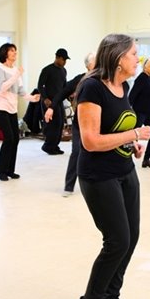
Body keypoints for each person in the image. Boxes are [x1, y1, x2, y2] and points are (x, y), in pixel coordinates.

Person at [75, 33, 150, 299]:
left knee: (131, 238)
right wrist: (134, 135)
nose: (138, 59)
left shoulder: (124, 87)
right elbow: (91, 141)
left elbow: (117, 128)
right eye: (134, 54)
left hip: (125, 171)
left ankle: (111, 296)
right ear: (118, 58)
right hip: (98, 176)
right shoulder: (92, 88)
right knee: (117, 241)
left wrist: (131, 145)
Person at [44, 52, 96, 197]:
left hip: (98, 123)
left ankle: (98, 183)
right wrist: (51, 108)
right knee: (77, 152)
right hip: (80, 122)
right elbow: (62, 92)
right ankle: (69, 186)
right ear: (88, 65)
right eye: (96, 62)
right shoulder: (81, 79)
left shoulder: (104, 79)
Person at [0, 43, 40, 181]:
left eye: (15, 50)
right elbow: (2, 87)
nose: (15, 53)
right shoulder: (0, 69)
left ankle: (9, 170)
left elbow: (20, 91)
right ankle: (0, 170)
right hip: (1, 108)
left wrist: (33, 98)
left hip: (12, 109)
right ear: (5, 53)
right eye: (12, 51)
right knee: (8, 138)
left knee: (15, 139)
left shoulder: (15, 71)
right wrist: (17, 74)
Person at [38, 48, 70, 155]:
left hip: (58, 101)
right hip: (49, 102)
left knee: (60, 124)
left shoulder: (63, 71)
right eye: (63, 59)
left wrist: (70, 94)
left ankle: (55, 145)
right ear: (58, 58)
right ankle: (48, 146)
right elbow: (40, 86)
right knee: (52, 125)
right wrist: (45, 98)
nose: (65, 62)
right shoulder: (47, 70)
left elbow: (64, 86)